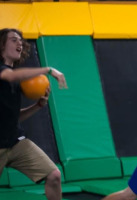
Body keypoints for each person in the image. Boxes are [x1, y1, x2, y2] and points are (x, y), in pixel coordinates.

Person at [0, 28, 68, 200]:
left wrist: (38, 106)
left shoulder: (17, 81)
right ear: (1, 45)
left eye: (21, 41)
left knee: (54, 175)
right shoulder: (5, 73)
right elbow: (9, 76)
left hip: (15, 143)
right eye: (14, 40)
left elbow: (14, 118)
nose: (19, 43)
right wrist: (48, 70)